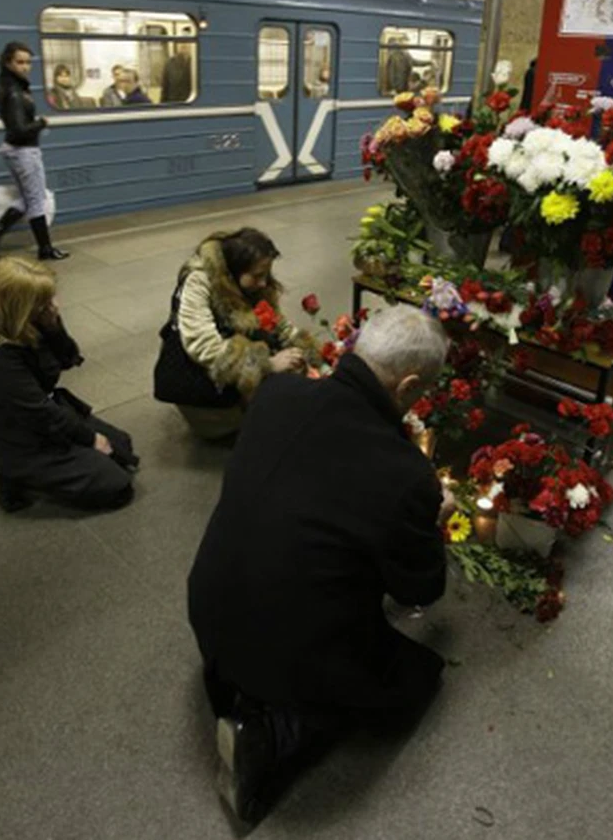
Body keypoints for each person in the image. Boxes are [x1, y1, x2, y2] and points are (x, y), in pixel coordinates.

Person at [187, 305, 456, 822]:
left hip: (207, 607)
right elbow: (420, 590)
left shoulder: (277, 393)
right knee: (417, 678)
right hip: (288, 652)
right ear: (408, 385)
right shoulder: (403, 472)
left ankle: (241, 690)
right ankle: (272, 734)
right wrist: (431, 519)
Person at [0, 257, 138, 513]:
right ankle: (14, 473)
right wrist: (89, 437)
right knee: (116, 488)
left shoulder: (31, 322)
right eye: (44, 302)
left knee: (122, 448)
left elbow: (68, 358)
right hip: (22, 435)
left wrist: (53, 327)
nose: (54, 305)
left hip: (45, 413)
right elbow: (37, 411)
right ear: (21, 307)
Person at [154, 228, 318, 439]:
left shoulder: (249, 281)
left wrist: (308, 351)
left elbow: (277, 324)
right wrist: (267, 365)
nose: (263, 283)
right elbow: (203, 346)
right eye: (257, 276)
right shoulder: (199, 280)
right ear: (234, 269)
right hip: (202, 389)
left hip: (231, 369)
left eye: (266, 275)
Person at [0, 42, 69, 262]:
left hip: (16, 150)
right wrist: (41, 123)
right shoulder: (14, 91)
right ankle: (45, 249)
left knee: (29, 198)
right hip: (24, 151)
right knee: (36, 199)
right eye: (20, 62)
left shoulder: (10, 86)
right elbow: (19, 130)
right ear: (8, 62)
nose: (25, 67)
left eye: (28, 62)